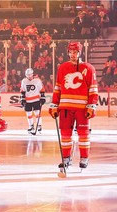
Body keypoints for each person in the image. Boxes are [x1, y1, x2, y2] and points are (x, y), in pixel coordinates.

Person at [49, 41, 98, 170]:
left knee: (83, 134)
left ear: (79, 52)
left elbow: (93, 89)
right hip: (65, 108)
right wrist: (54, 104)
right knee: (65, 134)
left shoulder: (89, 68)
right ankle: (66, 158)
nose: (72, 54)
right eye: (70, 52)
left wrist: (92, 105)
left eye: (75, 52)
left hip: (82, 109)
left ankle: (84, 158)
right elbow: (58, 87)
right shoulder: (63, 67)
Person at [20, 68, 46, 134]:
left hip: (36, 100)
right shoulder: (24, 81)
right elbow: (23, 90)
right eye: (27, 75)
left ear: (32, 74)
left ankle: (39, 125)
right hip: (28, 100)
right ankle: (31, 126)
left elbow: (41, 89)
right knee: (29, 114)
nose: (29, 76)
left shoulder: (37, 80)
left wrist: (42, 97)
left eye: (30, 75)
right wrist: (22, 98)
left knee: (37, 113)